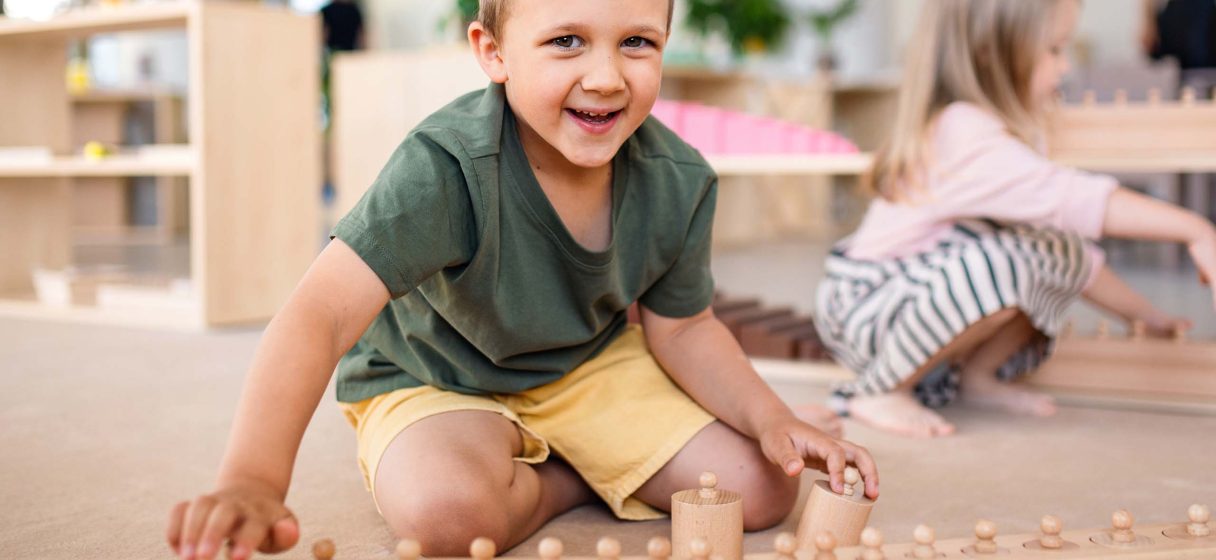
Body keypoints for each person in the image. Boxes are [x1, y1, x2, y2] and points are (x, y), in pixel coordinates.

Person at [166, 1, 878, 559]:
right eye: (567, 40)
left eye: (636, 42)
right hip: (434, 375)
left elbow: (685, 327)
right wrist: (253, 480)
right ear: (493, 52)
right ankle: (564, 481)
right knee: (446, 521)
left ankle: (567, 460)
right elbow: (319, 312)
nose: (605, 76)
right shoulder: (444, 167)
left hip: (587, 365)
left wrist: (771, 419)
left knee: (758, 489)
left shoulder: (679, 180)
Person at [809, 0, 1216, 439]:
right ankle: (877, 391)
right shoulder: (963, 132)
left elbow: (1072, 252)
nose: (1065, 67)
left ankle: (976, 378)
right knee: (1006, 262)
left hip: (908, 301)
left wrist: (1148, 319)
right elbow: (1078, 200)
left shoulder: (1000, 133)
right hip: (863, 305)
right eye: (1054, 49)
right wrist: (1196, 228)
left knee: (1046, 249)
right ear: (991, 53)